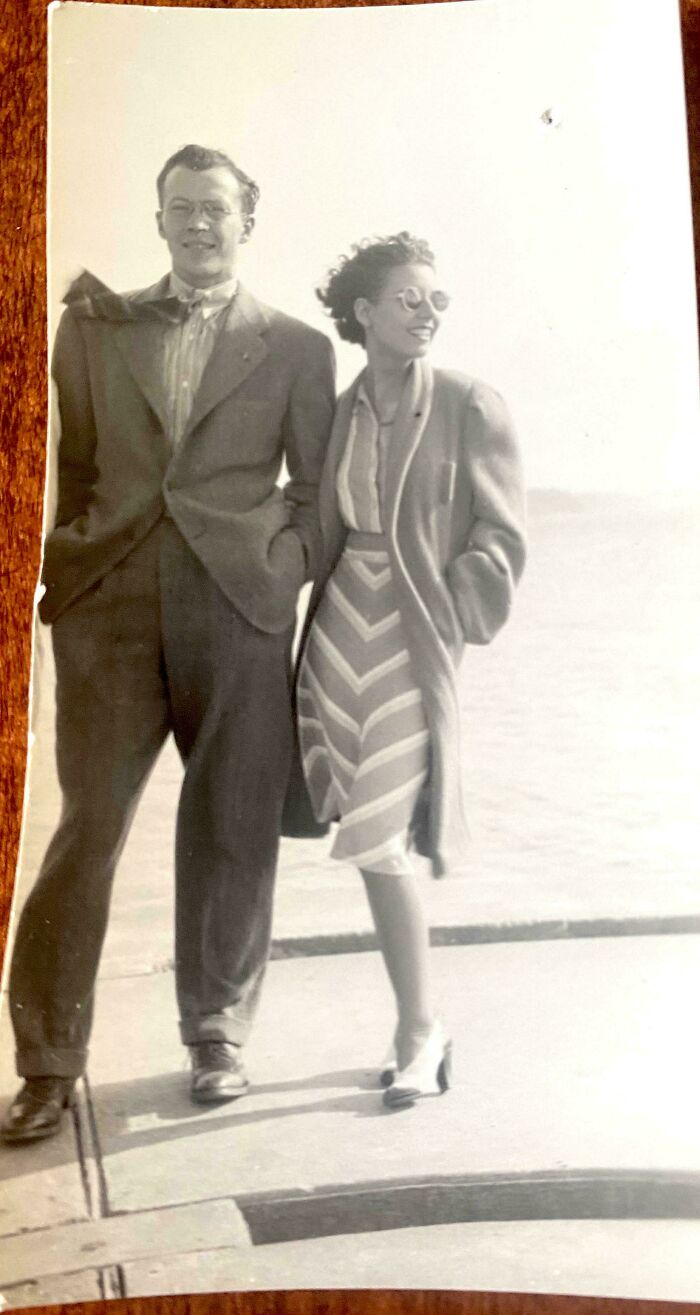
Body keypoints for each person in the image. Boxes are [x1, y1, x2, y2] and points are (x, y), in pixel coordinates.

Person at [2, 144, 335, 1144]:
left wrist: (279, 570)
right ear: (159, 222)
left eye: (217, 208)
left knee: (232, 824)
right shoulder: (94, 330)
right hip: (107, 611)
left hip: (237, 611)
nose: (199, 223)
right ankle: (48, 1062)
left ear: (248, 220)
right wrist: (63, 578)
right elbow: (64, 465)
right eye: (181, 208)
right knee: (85, 831)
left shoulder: (296, 346)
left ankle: (217, 1034)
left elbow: (317, 494)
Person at [296, 233, 526, 1108]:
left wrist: (451, 616)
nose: (428, 312)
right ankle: (419, 1021)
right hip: (334, 633)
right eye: (408, 298)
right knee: (367, 841)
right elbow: (323, 519)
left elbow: (501, 539)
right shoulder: (341, 405)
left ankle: (419, 1030)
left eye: (437, 300)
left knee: (383, 837)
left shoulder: (472, 402)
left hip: (412, 636)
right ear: (363, 312)